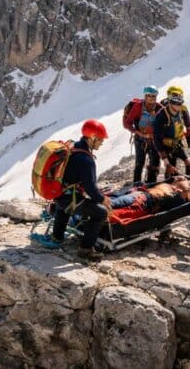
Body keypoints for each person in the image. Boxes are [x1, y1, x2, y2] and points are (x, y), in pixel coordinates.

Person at [47, 119, 111, 262]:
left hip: (59, 195)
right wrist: (102, 199)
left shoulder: (72, 146)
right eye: (100, 139)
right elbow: (90, 188)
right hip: (68, 199)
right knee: (101, 213)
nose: (102, 142)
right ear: (92, 138)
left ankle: (57, 237)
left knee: (66, 205)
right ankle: (86, 249)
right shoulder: (86, 160)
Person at [148, 87, 190, 181]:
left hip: (177, 143)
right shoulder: (161, 116)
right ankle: (169, 186)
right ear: (170, 103)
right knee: (170, 168)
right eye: (176, 103)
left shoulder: (181, 111)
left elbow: (188, 124)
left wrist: (188, 139)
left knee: (188, 162)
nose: (179, 105)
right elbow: (156, 139)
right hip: (165, 146)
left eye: (180, 103)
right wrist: (164, 159)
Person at [123, 86, 163, 184]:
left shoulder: (159, 108)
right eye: (149, 95)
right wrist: (139, 133)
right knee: (140, 162)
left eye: (154, 96)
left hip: (153, 139)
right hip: (140, 138)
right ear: (145, 96)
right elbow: (128, 123)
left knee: (155, 162)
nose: (152, 98)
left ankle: (151, 183)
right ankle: (136, 184)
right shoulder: (138, 107)